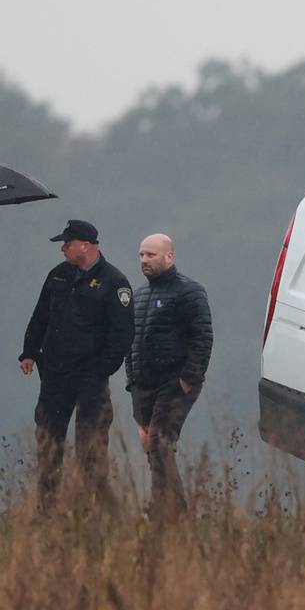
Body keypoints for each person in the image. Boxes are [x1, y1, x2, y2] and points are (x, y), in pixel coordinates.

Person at [18, 219, 134, 504]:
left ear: (85, 245)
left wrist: (102, 368)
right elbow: (41, 314)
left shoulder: (114, 282)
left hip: (89, 377)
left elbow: (122, 332)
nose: (62, 250)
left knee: (90, 444)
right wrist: (30, 350)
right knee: (48, 439)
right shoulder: (58, 276)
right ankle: (47, 509)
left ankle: (95, 509)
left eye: (66, 244)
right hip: (55, 374)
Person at [126, 234, 214, 514]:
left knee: (160, 443)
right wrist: (131, 381)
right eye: (141, 255)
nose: (144, 260)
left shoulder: (189, 292)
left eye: (150, 255)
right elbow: (131, 341)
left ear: (169, 256)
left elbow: (203, 337)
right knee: (152, 447)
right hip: (143, 384)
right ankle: (169, 508)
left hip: (174, 382)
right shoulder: (138, 296)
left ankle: (168, 512)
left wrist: (189, 378)